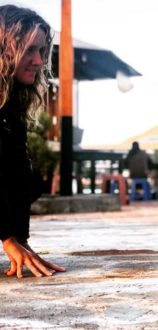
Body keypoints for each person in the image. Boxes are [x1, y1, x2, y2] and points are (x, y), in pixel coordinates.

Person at [0, 5, 65, 278]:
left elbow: (17, 166)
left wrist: (21, 238)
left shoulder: (12, 99)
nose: (39, 61)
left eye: (40, 51)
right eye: (29, 50)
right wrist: (7, 238)